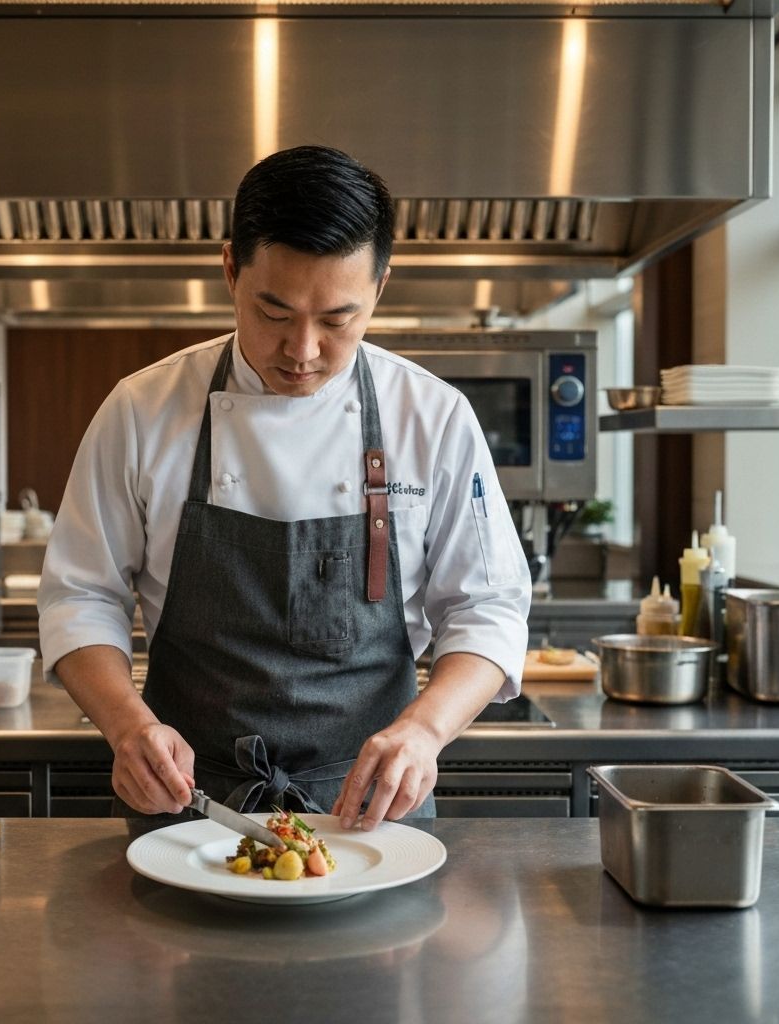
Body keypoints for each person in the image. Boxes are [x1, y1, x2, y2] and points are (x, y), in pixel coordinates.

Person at [38, 145, 531, 829]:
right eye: (274, 312)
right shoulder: (142, 409)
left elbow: (490, 609)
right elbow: (80, 596)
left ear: (380, 287)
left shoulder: (434, 417)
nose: (302, 351)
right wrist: (127, 728)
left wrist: (425, 730)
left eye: (337, 320)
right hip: (189, 805)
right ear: (230, 270)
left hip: (374, 809)